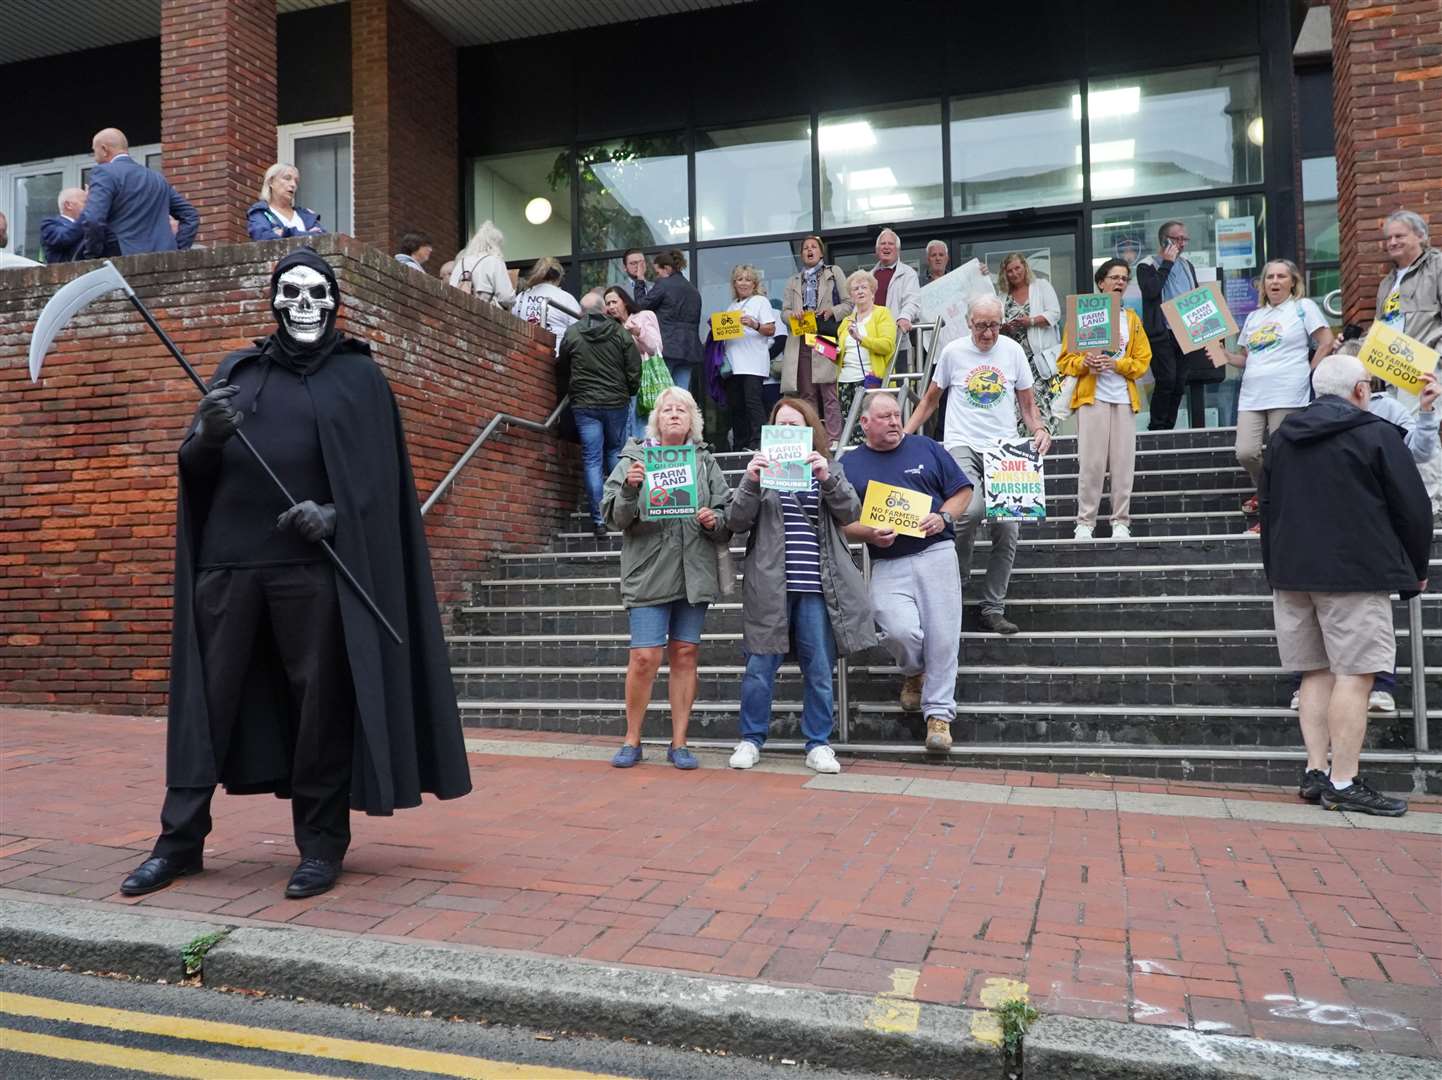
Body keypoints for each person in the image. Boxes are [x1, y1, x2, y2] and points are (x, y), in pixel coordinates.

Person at [118, 249, 472, 900]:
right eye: (290, 291)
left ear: (335, 302)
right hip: (228, 568)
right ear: (274, 300)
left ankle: (319, 845)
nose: (303, 303)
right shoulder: (239, 370)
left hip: (311, 573)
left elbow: (380, 484)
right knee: (207, 706)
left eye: (316, 292)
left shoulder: (359, 379)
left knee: (320, 708)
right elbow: (195, 470)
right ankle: (179, 843)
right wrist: (208, 439)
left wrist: (334, 514)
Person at [1261, 353, 1431, 817]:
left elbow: (1267, 505)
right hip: (1355, 572)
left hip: (1292, 572)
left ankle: (1317, 771)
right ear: (1360, 391)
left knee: (1314, 672)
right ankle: (1344, 779)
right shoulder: (1375, 433)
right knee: (1356, 675)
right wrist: (1414, 567)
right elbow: (1412, 508)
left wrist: (1274, 569)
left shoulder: (1281, 439)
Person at [1283, 333, 1439, 715]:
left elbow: (1414, 456)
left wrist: (1426, 413)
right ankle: (1336, 768)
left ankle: (1378, 687)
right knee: (1333, 646)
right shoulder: (1303, 426)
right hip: (1329, 534)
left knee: (1361, 638)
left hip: (1361, 533)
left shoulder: (1384, 417)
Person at [726, 398, 875, 774]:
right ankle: (751, 738)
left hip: (817, 585)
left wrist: (827, 477)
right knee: (760, 664)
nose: (788, 431)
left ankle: (818, 743)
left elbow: (851, 512)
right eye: (781, 425)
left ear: (810, 431)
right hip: (769, 584)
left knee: (819, 668)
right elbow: (735, 521)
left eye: (796, 425)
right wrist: (750, 479)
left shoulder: (828, 468)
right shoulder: (758, 472)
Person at [904, 295, 1051, 634]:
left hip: (1005, 448)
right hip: (962, 442)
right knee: (968, 511)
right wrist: (905, 437)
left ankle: (992, 607)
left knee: (1008, 527)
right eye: (981, 325)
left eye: (994, 325)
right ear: (969, 323)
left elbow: (1028, 407)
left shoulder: (1012, 352)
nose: (988, 333)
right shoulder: (953, 352)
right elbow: (929, 401)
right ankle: (958, 580)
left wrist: (1040, 430)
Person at [602, 387, 732, 770]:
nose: (674, 415)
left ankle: (680, 742)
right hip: (649, 571)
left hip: (694, 571)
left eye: (683, 410)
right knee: (644, 657)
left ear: (693, 421)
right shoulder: (634, 459)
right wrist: (630, 489)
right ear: (656, 419)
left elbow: (727, 514)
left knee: (685, 654)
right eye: (667, 410)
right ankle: (632, 738)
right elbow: (613, 517)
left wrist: (715, 520)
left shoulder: (705, 461)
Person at [842, 394, 973, 752]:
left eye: (897, 415)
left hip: (937, 551)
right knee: (896, 627)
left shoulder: (926, 447)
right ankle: (914, 671)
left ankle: (939, 716)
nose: (895, 422)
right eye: (884, 417)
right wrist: (867, 533)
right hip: (888, 561)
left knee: (944, 637)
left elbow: (962, 491)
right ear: (865, 423)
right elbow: (841, 523)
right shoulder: (850, 464)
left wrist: (944, 516)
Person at [1218, 259, 1334, 533]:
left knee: (1282, 455)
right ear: (1263, 283)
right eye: (1270, 277)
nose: (1275, 281)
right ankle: (1268, 490)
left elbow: (1326, 340)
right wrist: (1224, 355)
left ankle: (1271, 512)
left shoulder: (1302, 308)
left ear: (1292, 281)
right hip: (1252, 395)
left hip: (1288, 392)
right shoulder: (1255, 317)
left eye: (1281, 276)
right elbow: (1245, 358)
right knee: (1246, 452)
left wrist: (1310, 371)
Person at [1056, 260, 1153, 539]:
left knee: (1124, 463)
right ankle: (1085, 522)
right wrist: (1085, 363)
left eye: (1124, 278)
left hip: (1123, 397)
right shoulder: (1083, 314)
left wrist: (1117, 365)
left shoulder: (1132, 319)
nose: (1120, 282)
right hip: (1092, 396)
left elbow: (1142, 362)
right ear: (1101, 282)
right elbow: (1065, 361)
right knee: (1091, 462)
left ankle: (1120, 521)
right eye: (1114, 277)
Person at [559, 291, 643, 538]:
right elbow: (634, 366)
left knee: (592, 459)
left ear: (582, 312)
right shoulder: (620, 333)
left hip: (584, 404)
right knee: (615, 453)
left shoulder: (572, 333)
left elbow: (563, 365)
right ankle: (621, 513)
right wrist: (629, 391)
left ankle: (599, 521)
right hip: (616, 402)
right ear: (604, 309)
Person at [1375, 208, 1442, 514]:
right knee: (1398, 432)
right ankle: (1409, 500)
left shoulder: (1437, 266)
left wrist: (1436, 358)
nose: (1392, 242)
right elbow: (1382, 327)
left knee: (1422, 428)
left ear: (1420, 236)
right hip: (1390, 369)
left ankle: (1431, 504)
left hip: (1424, 366)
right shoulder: (1388, 281)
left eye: (1400, 235)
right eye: (1388, 238)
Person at [65, 127, 199, 255]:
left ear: (104, 149)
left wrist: (93, 254)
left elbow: (93, 220)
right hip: (164, 261)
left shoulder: (104, 172)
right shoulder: (157, 178)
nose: (95, 158)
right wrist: (177, 250)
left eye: (94, 152)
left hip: (122, 260)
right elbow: (190, 215)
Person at [780, 236, 852, 444]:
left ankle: (834, 438)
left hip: (825, 336)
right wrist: (793, 315)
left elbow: (849, 304)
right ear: (801, 254)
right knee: (807, 393)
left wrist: (832, 311)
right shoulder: (793, 280)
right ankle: (813, 439)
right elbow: (783, 312)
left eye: (814, 247)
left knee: (829, 390)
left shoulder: (833, 272)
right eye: (805, 248)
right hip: (801, 339)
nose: (810, 250)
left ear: (821, 252)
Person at [1136, 220, 1201, 430]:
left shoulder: (1187, 266)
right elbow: (1151, 291)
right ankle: (1157, 427)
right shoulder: (1147, 265)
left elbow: (1196, 295)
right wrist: (1167, 263)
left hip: (1186, 331)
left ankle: (1169, 427)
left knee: (1180, 382)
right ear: (1165, 239)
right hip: (1162, 332)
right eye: (1177, 239)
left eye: (1185, 239)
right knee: (1166, 380)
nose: (1182, 243)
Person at [998, 252, 1063, 435]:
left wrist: (1031, 321)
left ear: (1025, 267)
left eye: (1017, 268)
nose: (1014, 273)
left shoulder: (1041, 286)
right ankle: (1022, 447)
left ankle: (1049, 444)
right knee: (1017, 405)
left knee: (1044, 403)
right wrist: (1005, 328)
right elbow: (996, 321)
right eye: (1009, 271)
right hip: (1014, 361)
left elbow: (1055, 313)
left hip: (1039, 360)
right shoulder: (1002, 296)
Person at [719, 265, 777, 452]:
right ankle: (739, 445)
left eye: (747, 279)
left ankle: (758, 444)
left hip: (753, 364)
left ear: (754, 284)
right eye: (739, 279)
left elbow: (771, 329)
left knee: (753, 404)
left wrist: (754, 323)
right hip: (733, 365)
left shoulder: (761, 301)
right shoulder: (731, 306)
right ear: (734, 284)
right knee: (736, 407)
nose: (743, 283)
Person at [834, 270, 897, 434]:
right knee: (850, 431)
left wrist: (861, 338)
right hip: (845, 381)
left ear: (872, 292)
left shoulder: (882, 313)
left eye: (864, 287)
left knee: (873, 429)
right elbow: (840, 355)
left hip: (871, 379)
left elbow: (887, 345)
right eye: (855, 289)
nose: (860, 291)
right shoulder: (846, 321)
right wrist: (828, 350)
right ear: (851, 295)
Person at [635, 249, 702, 393]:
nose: (657, 276)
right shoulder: (693, 290)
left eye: (658, 272)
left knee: (660, 395)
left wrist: (640, 280)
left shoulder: (664, 285)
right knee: (681, 395)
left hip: (667, 347)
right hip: (689, 350)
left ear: (667, 268)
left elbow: (640, 306)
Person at [872, 229, 921, 369]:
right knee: (876, 390)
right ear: (877, 250)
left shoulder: (908, 273)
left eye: (890, 244)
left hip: (898, 343)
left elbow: (913, 301)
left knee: (899, 389)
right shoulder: (869, 276)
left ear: (898, 250)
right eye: (883, 244)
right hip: (873, 344)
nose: (886, 247)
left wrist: (905, 317)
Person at [512, 256, 581, 352]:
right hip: (556, 353)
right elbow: (578, 330)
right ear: (558, 277)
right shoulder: (566, 298)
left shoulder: (521, 297)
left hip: (525, 352)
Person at [247, 164, 324, 241]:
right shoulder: (260, 212)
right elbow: (262, 237)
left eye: (296, 181)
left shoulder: (306, 215)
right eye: (287, 178)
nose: (293, 184)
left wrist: (285, 232)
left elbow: (321, 237)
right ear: (271, 182)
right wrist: (306, 234)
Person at [449, 221, 515, 308]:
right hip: (484, 314)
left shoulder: (461, 262)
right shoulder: (494, 261)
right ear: (496, 245)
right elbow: (506, 297)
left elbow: (450, 292)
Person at [41, 187, 101, 263]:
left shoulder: (89, 224)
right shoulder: (49, 224)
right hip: (65, 273)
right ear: (68, 205)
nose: (89, 206)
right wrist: (89, 213)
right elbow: (63, 238)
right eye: (86, 202)